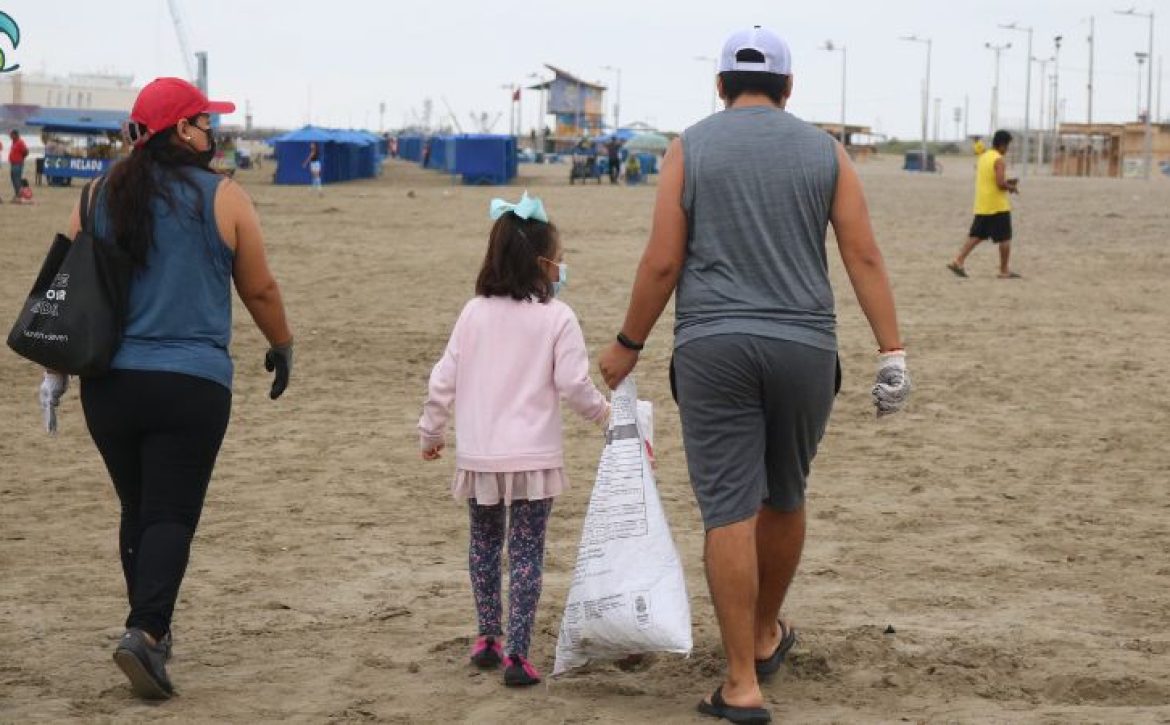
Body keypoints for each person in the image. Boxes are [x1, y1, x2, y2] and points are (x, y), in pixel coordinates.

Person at [597, 27, 910, 723]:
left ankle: (741, 680)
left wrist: (628, 343)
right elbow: (863, 256)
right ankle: (766, 629)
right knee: (785, 494)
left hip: (715, 346)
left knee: (728, 509)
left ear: (719, 86)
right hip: (805, 347)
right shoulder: (826, 152)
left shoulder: (690, 147)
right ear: (789, 88)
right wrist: (892, 351)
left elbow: (661, 262)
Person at [37, 77, 294, 700]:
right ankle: (146, 634)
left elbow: (57, 281)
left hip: (111, 387)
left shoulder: (96, 194)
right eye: (207, 123)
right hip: (190, 385)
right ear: (182, 130)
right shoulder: (224, 197)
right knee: (172, 513)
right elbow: (258, 288)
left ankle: (149, 628)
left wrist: (55, 369)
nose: (215, 133)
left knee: (140, 508)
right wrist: (281, 345)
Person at [418, 192, 609, 689]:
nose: (562, 268)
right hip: (533, 457)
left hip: (480, 453)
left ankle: (487, 637)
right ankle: (518, 655)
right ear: (544, 264)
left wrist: (432, 431)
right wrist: (605, 416)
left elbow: (444, 378)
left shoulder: (473, 312)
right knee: (526, 553)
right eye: (560, 260)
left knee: (483, 544)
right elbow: (573, 386)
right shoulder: (557, 318)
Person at [947, 129, 1020, 279]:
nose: (1007, 150)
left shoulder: (984, 156)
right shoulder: (998, 159)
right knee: (1005, 238)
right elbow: (1000, 183)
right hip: (997, 205)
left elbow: (991, 178)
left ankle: (958, 261)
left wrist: (1006, 183)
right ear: (1002, 145)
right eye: (1007, 146)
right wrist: (1011, 187)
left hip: (983, 203)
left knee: (977, 236)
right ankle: (1004, 270)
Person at [9, 129, 29, 201]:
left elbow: (26, 151)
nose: (10, 136)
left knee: (17, 179)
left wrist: (21, 158)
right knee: (13, 179)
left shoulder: (20, 142)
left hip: (18, 164)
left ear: (15, 135)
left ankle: (20, 195)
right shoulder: (14, 142)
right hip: (13, 163)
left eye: (11, 135)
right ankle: (17, 193)